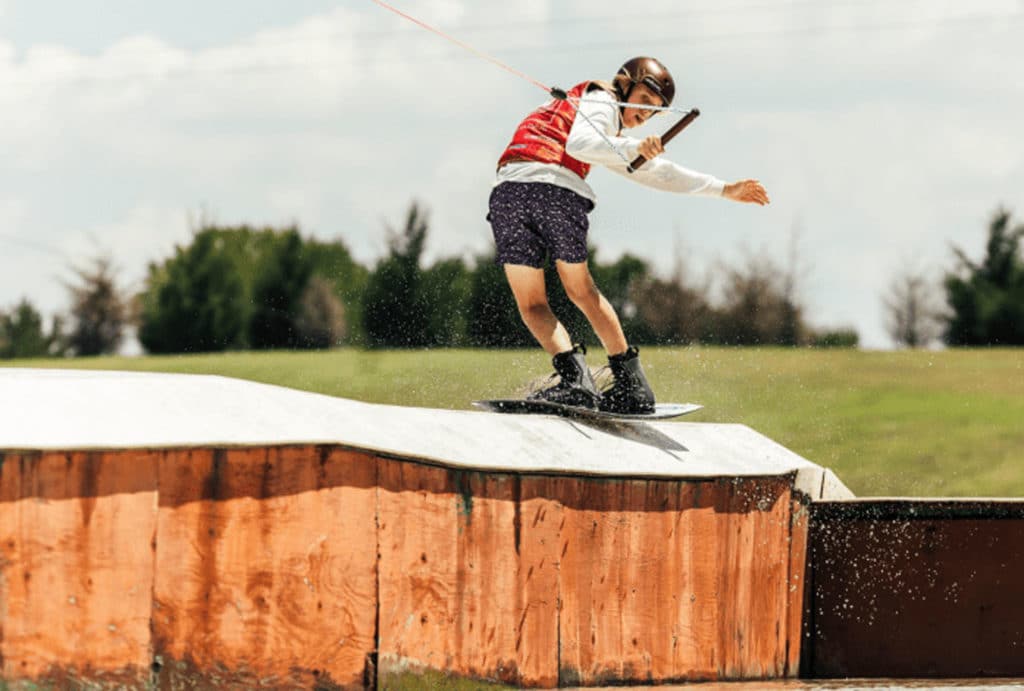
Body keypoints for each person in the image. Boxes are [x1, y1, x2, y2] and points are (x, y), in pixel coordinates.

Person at [488, 56, 770, 414]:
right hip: (552, 192)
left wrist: (721, 188)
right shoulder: (602, 99)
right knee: (580, 291)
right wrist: (633, 148)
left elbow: (653, 172)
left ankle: (576, 381)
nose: (644, 113)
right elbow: (579, 145)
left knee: (533, 304)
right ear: (625, 82)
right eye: (644, 100)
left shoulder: (601, 127)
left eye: (654, 111)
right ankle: (629, 383)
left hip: (510, 193)